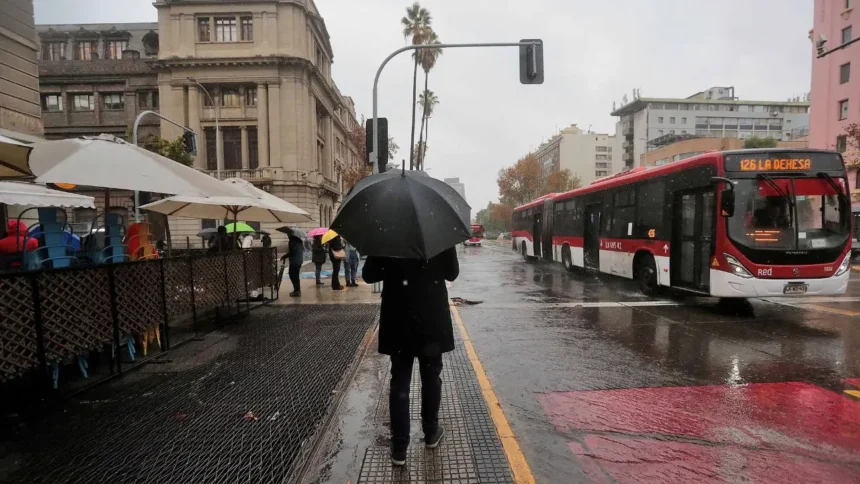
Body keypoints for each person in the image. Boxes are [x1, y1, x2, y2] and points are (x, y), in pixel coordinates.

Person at [362, 247, 459, 466]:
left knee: (400, 383)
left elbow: (369, 276)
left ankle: (399, 447)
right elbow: (452, 273)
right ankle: (431, 432)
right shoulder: (438, 233)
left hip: (399, 318)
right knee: (431, 378)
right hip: (431, 319)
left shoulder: (388, 235)